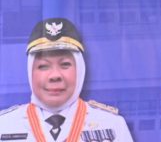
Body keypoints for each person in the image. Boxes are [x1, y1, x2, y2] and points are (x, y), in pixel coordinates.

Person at [0, 17, 134, 141]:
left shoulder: (112, 125)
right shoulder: (4, 125)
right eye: (43, 66)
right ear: (30, 72)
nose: (55, 76)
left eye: (65, 64)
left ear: (80, 70)